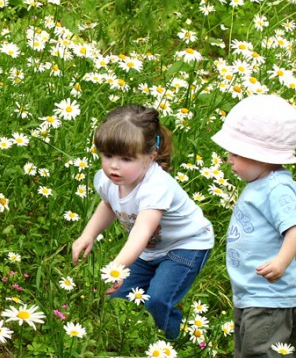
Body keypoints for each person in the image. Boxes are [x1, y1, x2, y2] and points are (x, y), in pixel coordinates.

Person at [72, 104, 214, 340]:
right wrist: (88, 234)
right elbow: (108, 204)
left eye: (126, 159)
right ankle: (131, 337)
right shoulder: (108, 179)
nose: (114, 166)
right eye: (107, 156)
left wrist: (117, 267)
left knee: (158, 299)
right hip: (150, 251)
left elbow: (143, 231)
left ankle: (171, 340)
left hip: (187, 246)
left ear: (151, 156)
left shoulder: (156, 186)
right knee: (115, 298)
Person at [211, 94, 296, 358]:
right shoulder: (260, 183)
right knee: (247, 347)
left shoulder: (277, 188)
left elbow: (295, 226)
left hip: (270, 296)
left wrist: (281, 261)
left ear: (262, 156)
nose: (228, 159)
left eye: (235, 153)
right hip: (252, 290)